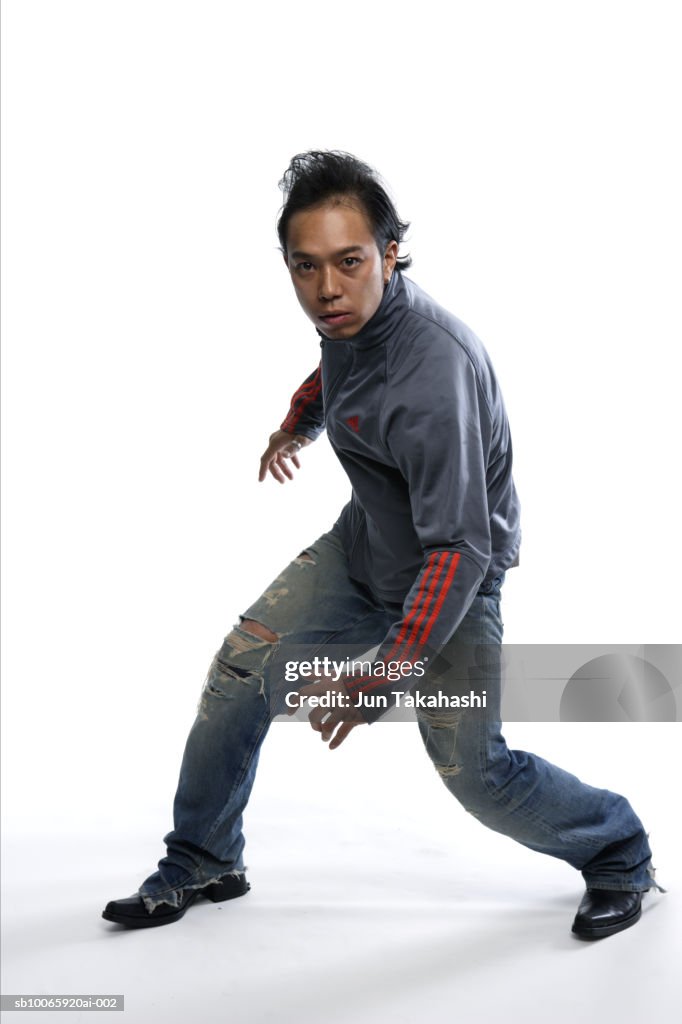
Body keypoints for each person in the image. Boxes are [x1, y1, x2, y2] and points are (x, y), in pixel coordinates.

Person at [102, 150, 661, 938]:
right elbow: (338, 368)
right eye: (305, 267)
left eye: (349, 262)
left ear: (390, 252)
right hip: (361, 552)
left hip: (452, 587)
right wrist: (296, 425)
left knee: (478, 772)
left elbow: (459, 549)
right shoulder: (353, 317)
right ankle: (204, 857)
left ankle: (619, 851)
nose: (326, 290)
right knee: (242, 668)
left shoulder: (435, 373)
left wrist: (381, 678)